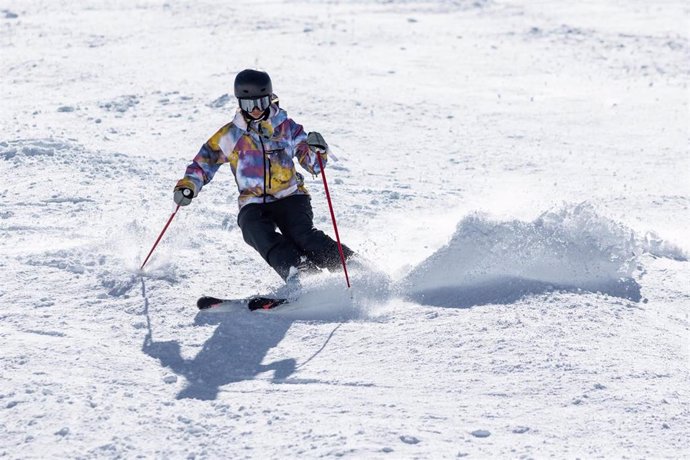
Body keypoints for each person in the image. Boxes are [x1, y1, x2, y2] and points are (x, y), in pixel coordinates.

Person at [174, 69, 353, 286]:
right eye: (250, 105)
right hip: (253, 201)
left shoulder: (286, 128)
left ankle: (352, 266)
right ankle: (299, 271)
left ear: (270, 99)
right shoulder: (231, 135)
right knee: (253, 229)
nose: (257, 110)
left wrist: (317, 151)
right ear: (240, 104)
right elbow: (205, 161)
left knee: (302, 234)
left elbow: (313, 165)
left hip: (290, 196)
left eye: (261, 102)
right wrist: (189, 185)